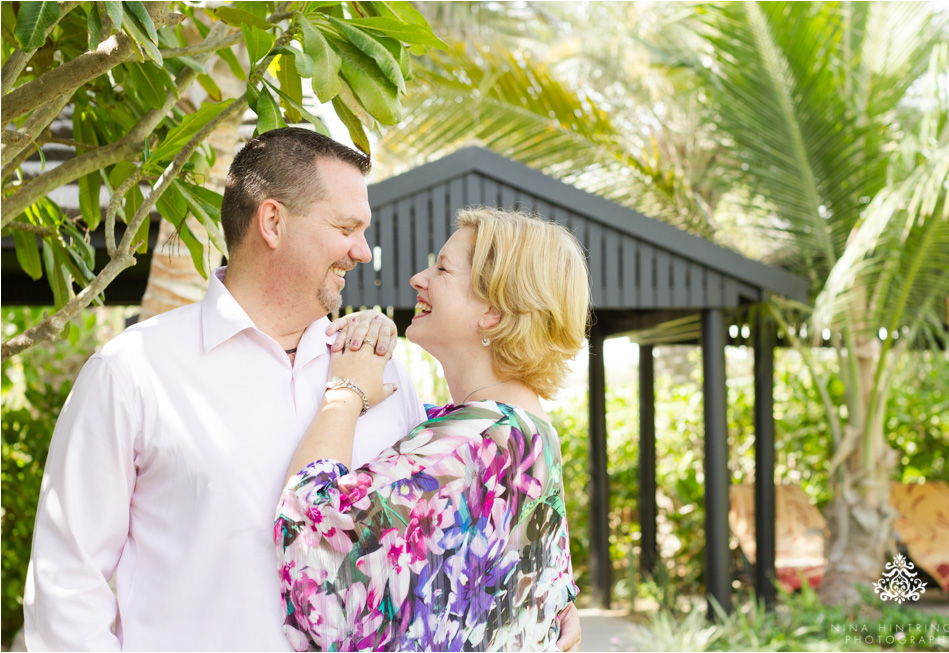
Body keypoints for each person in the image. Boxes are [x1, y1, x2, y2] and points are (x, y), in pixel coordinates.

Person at [23, 129, 426, 650]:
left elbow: (436, 544)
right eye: (347, 228)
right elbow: (66, 582)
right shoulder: (133, 371)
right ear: (273, 222)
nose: (363, 252)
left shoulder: (384, 373)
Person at [275, 208, 590, 651]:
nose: (418, 279)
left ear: (494, 314)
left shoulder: (470, 443)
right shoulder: (530, 436)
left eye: (442, 268)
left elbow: (308, 524)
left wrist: (344, 393)